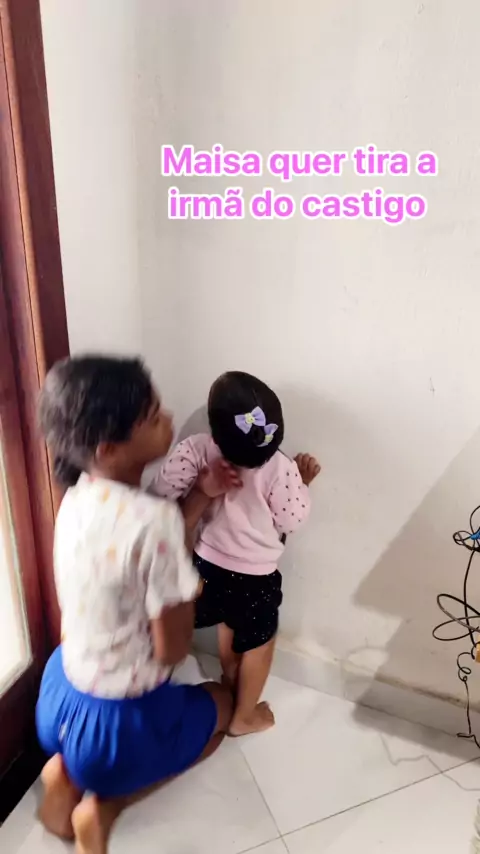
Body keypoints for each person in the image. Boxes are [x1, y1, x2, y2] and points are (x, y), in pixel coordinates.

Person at [35, 355, 239, 854]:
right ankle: (104, 807)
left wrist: (200, 495)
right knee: (223, 707)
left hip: (60, 695)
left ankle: (62, 778)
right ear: (109, 448)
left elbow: (144, 547)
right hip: (116, 727)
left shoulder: (77, 494)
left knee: (89, 751)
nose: (169, 417)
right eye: (152, 416)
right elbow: (172, 651)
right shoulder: (153, 522)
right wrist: (186, 597)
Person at [150, 371, 320, 735]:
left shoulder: (198, 449)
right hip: (256, 579)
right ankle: (243, 716)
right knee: (259, 642)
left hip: (204, 568)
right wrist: (301, 484)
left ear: (215, 430)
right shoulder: (281, 467)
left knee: (224, 619)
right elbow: (292, 518)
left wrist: (197, 486)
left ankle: (228, 677)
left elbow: (162, 491)